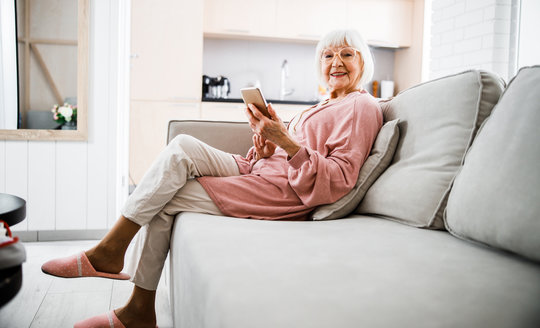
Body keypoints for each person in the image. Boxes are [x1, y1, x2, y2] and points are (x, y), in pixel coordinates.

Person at [41, 29, 383, 328]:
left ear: (362, 61)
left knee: (167, 199)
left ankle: (131, 298)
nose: (335, 61)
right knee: (183, 147)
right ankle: (113, 259)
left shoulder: (361, 107)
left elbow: (338, 178)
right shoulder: (321, 104)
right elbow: (288, 152)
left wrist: (285, 141)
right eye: (327, 55)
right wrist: (265, 146)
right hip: (262, 171)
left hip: (283, 193)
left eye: (346, 54)